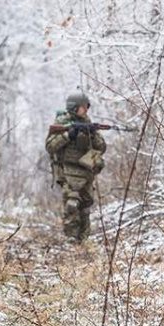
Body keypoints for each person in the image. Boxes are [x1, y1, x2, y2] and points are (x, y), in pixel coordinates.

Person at [45, 93, 106, 243]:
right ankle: (71, 237)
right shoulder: (62, 122)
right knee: (72, 203)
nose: (85, 110)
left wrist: (92, 136)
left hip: (85, 171)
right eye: (82, 107)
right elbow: (50, 146)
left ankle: (83, 238)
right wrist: (68, 135)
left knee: (85, 205)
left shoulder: (88, 122)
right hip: (67, 170)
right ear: (74, 107)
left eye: (86, 107)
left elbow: (102, 147)